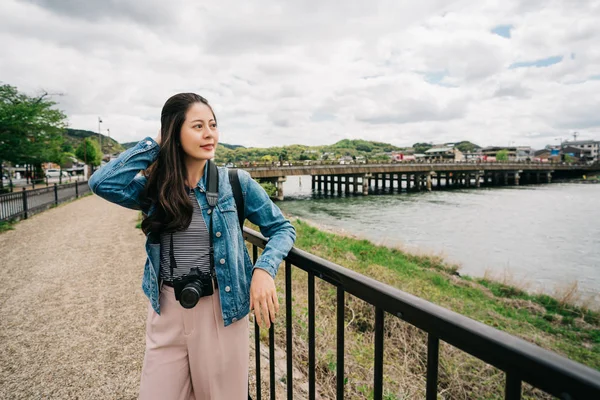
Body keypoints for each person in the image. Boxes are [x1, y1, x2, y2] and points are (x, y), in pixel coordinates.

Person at [89, 93, 296, 399]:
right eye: (197, 126)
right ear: (175, 132)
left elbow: (281, 228)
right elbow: (102, 182)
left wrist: (264, 270)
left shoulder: (236, 183)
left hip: (220, 311)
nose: (209, 133)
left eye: (213, 124)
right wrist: (157, 143)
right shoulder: (155, 188)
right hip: (166, 308)